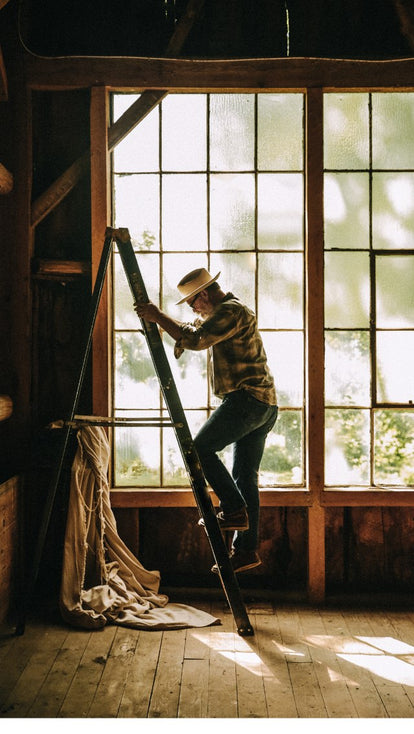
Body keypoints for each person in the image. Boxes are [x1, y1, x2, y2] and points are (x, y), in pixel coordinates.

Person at [134, 268, 278, 574]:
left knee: (198, 450)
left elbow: (197, 339)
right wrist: (174, 330)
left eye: (192, 302)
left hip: (246, 400)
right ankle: (246, 550)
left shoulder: (230, 310)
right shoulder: (231, 312)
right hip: (263, 404)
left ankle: (234, 510)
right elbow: (196, 330)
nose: (192, 308)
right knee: (245, 477)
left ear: (203, 294)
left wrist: (158, 316)